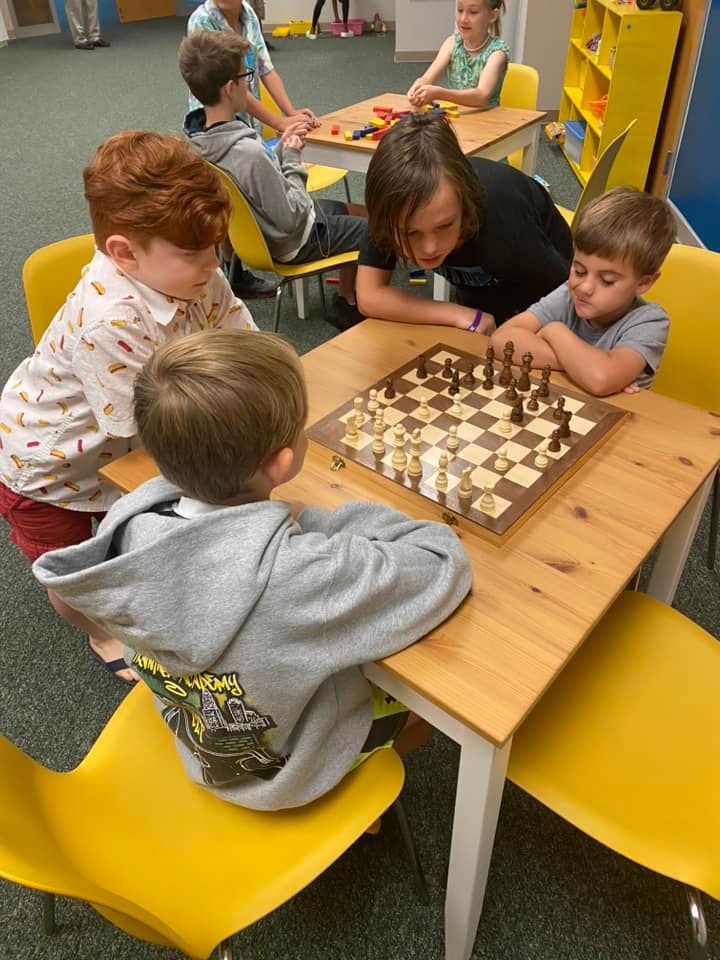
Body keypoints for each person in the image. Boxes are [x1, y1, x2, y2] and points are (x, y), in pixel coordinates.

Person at [34, 330, 472, 810]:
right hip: (289, 773)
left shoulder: (126, 526)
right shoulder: (308, 574)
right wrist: (318, 522)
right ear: (283, 464)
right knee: (438, 709)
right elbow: (441, 561)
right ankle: (364, 810)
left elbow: (63, 596)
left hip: (196, 742)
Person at [0, 131, 257, 684]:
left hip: (117, 445)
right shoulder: (110, 319)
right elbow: (146, 442)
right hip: (45, 471)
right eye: (194, 252)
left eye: (216, 245)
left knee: (132, 533)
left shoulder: (196, 272)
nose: (213, 264)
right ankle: (101, 633)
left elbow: (244, 338)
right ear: (123, 254)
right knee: (80, 578)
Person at [180, 30, 368, 329]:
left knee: (355, 211)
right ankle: (348, 303)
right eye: (247, 75)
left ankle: (347, 293)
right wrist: (293, 158)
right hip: (294, 239)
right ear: (231, 87)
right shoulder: (247, 151)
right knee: (374, 232)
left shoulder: (202, 138)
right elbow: (292, 217)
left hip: (262, 233)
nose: (249, 82)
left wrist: (281, 146)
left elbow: (256, 173)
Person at [356, 112, 573, 333]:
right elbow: (369, 295)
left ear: (465, 204)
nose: (429, 248)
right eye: (410, 233)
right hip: (480, 288)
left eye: (445, 226)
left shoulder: (501, 220)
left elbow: (567, 299)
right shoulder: (392, 205)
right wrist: (457, 313)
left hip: (542, 284)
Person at [187, 0, 319, 299]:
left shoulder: (248, 15)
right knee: (226, 196)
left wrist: (290, 112)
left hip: (244, 121)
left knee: (246, 194)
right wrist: (280, 122)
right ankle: (231, 271)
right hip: (220, 120)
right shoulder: (201, 21)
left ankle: (235, 269)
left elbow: (264, 69)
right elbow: (232, 88)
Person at [490, 187, 676, 396]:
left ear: (643, 283)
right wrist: (581, 366)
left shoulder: (650, 321)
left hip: (617, 420)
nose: (584, 287)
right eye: (579, 270)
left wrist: (553, 331)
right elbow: (501, 340)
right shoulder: (569, 294)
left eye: (607, 281)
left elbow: (600, 379)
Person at [407, 1, 508, 110]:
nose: (463, 19)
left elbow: (481, 96)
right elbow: (427, 78)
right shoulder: (452, 43)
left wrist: (439, 93)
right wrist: (419, 85)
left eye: (473, 12)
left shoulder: (496, 53)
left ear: (492, 16)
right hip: (458, 115)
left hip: (490, 121)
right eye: (460, 10)